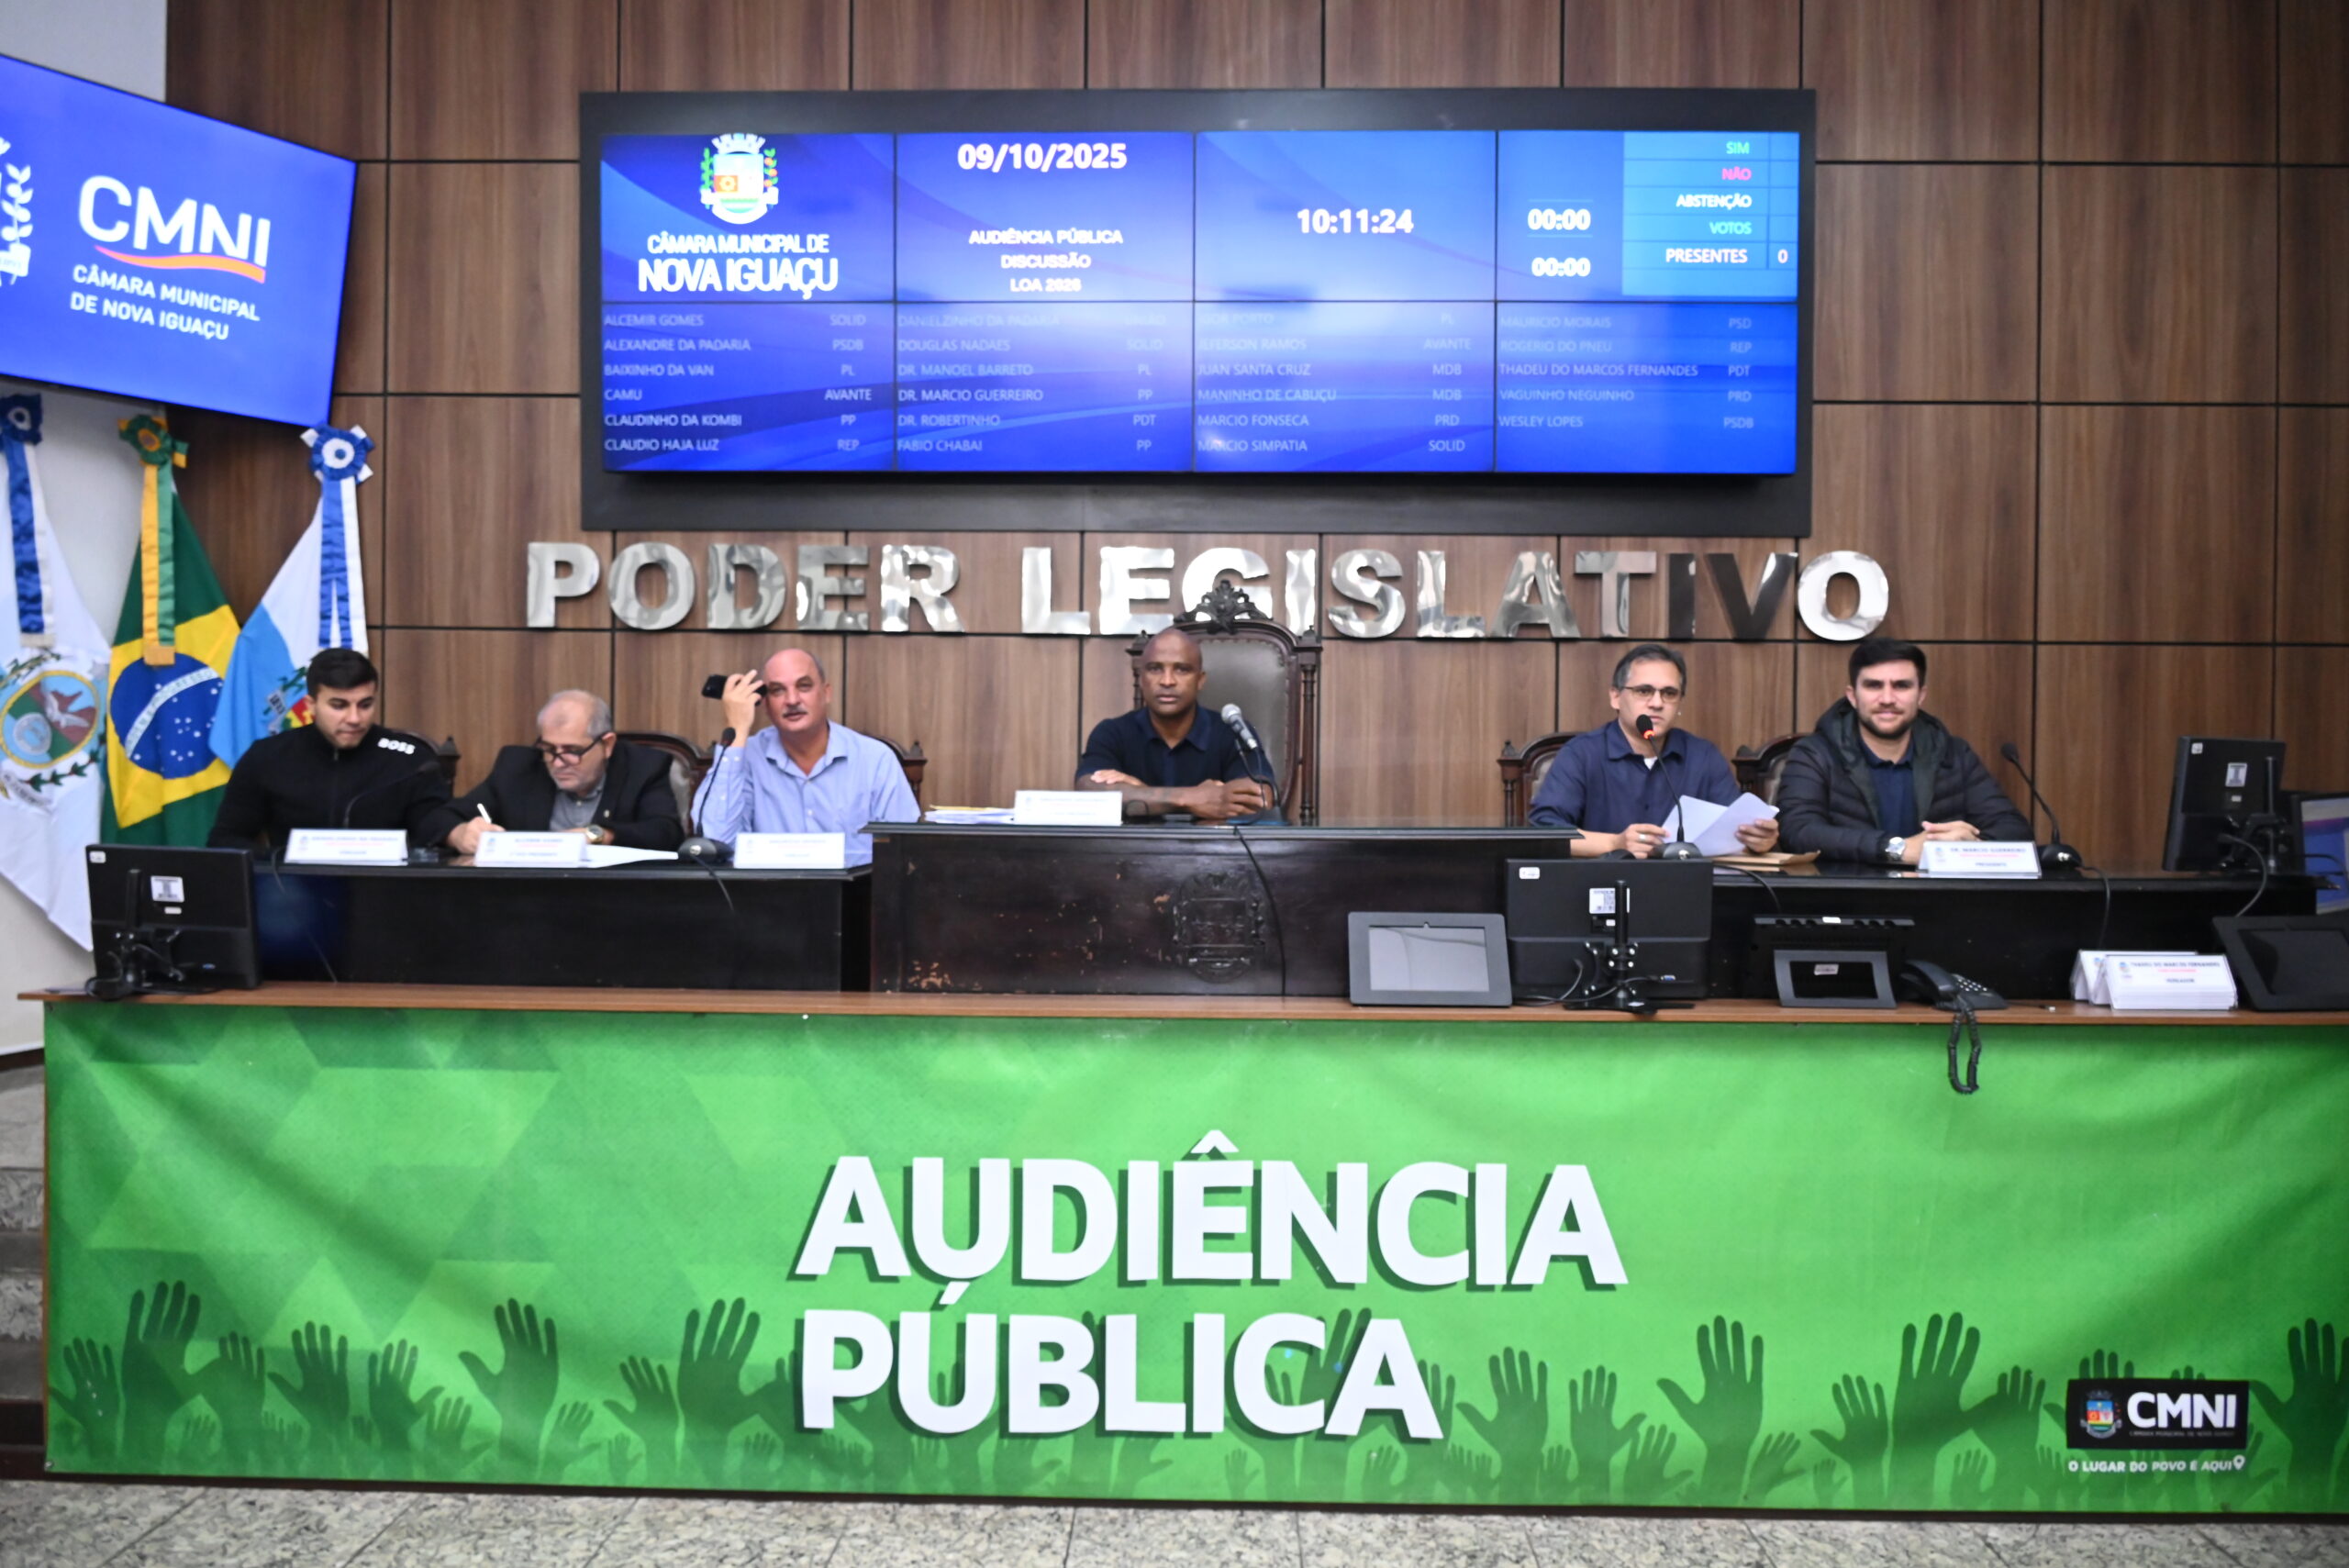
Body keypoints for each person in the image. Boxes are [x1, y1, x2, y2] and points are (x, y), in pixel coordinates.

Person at [1776, 636, 2031, 864]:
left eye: (1901, 686)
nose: (1887, 699)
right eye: (1874, 685)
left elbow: (2014, 830)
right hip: (1850, 894)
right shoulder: (1815, 754)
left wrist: (1971, 846)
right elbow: (1797, 832)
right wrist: (1896, 849)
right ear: (1852, 696)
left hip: (1938, 895)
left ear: (1921, 695)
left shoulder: (1953, 753)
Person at [1527, 642, 1779, 857]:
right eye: (1644, 691)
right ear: (1615, 697)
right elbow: (1545, 831)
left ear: (1679, 702)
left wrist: (1758, 840)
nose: (1657, 703)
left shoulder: (1703, 756)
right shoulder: (1582, 754)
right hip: (1603, 885)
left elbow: (1736, 826)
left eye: (1669, 693)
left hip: (1685, 887)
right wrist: (1614, 844)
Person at [206, 648, 451, 849]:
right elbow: (226, 839)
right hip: (290, 886)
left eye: (365, 705)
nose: (354, 718)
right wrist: (278, 863)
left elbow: (436, 833)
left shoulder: (410, 760)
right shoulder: (267, 757)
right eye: (339, 705)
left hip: (384, 887)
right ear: (311, 705)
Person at [697, 647, 918, 864]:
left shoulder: (875, 759)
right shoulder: (743, 758)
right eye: (777, 690)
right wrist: (737, 730)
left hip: (857, 887)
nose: (792, 700)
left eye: (804, 686)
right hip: (766, 887)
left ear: (826, 693)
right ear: (764, 703)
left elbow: (905, 851)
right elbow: (718, 845)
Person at [429, 691, 683, 855]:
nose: (558, 763)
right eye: (550, 749)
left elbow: (665, 833)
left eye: (573, 751)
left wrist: (597, 835)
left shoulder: (642, 767)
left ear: (607, 745)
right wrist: (458, 834)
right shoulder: (519, 768)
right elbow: (437, 819)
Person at [1075, 627, 1272, 822]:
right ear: (1141, 678)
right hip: (1135, 843)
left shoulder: (1232, 731)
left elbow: (1262, 798)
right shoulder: (1112, 732)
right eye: (1155, 669)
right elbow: (1088, 791)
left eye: (1181, 669)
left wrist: (1142, 793)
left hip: (1209, 842)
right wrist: (1192, 798)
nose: (1167, 681)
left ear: (1200, 680)